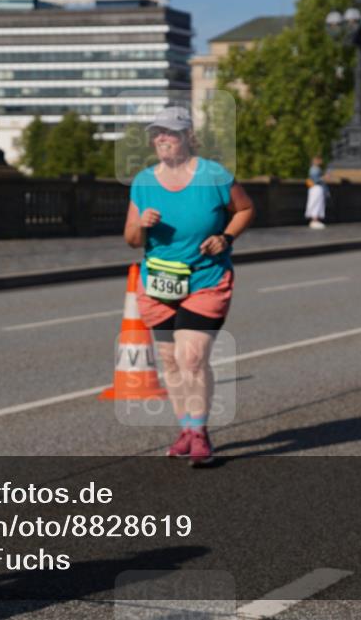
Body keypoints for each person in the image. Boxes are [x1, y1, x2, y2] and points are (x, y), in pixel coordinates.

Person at [123, 106, 254, 466]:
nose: (162, 138)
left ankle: (199, 432)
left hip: (206, 279)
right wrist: (142, 225)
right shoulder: (144, 182)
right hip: (158, 285)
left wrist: (226, 238)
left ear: (188, 137)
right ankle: (186, 428)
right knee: (170, 360)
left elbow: (245, 209)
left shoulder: (214, 176)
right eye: (157, 133)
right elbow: (131, 239)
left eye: (170, 132)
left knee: (191, 357)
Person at [304, 155, 328, 229]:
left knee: (317, 203)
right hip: (316, 188)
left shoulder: (316, 168)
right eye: (320, 160)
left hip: (316, 188)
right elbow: (315, 179)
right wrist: (323, 178)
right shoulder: (314, 169)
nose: (321, 161)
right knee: (315, 203)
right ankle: (314, 220)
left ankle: (315, 220)